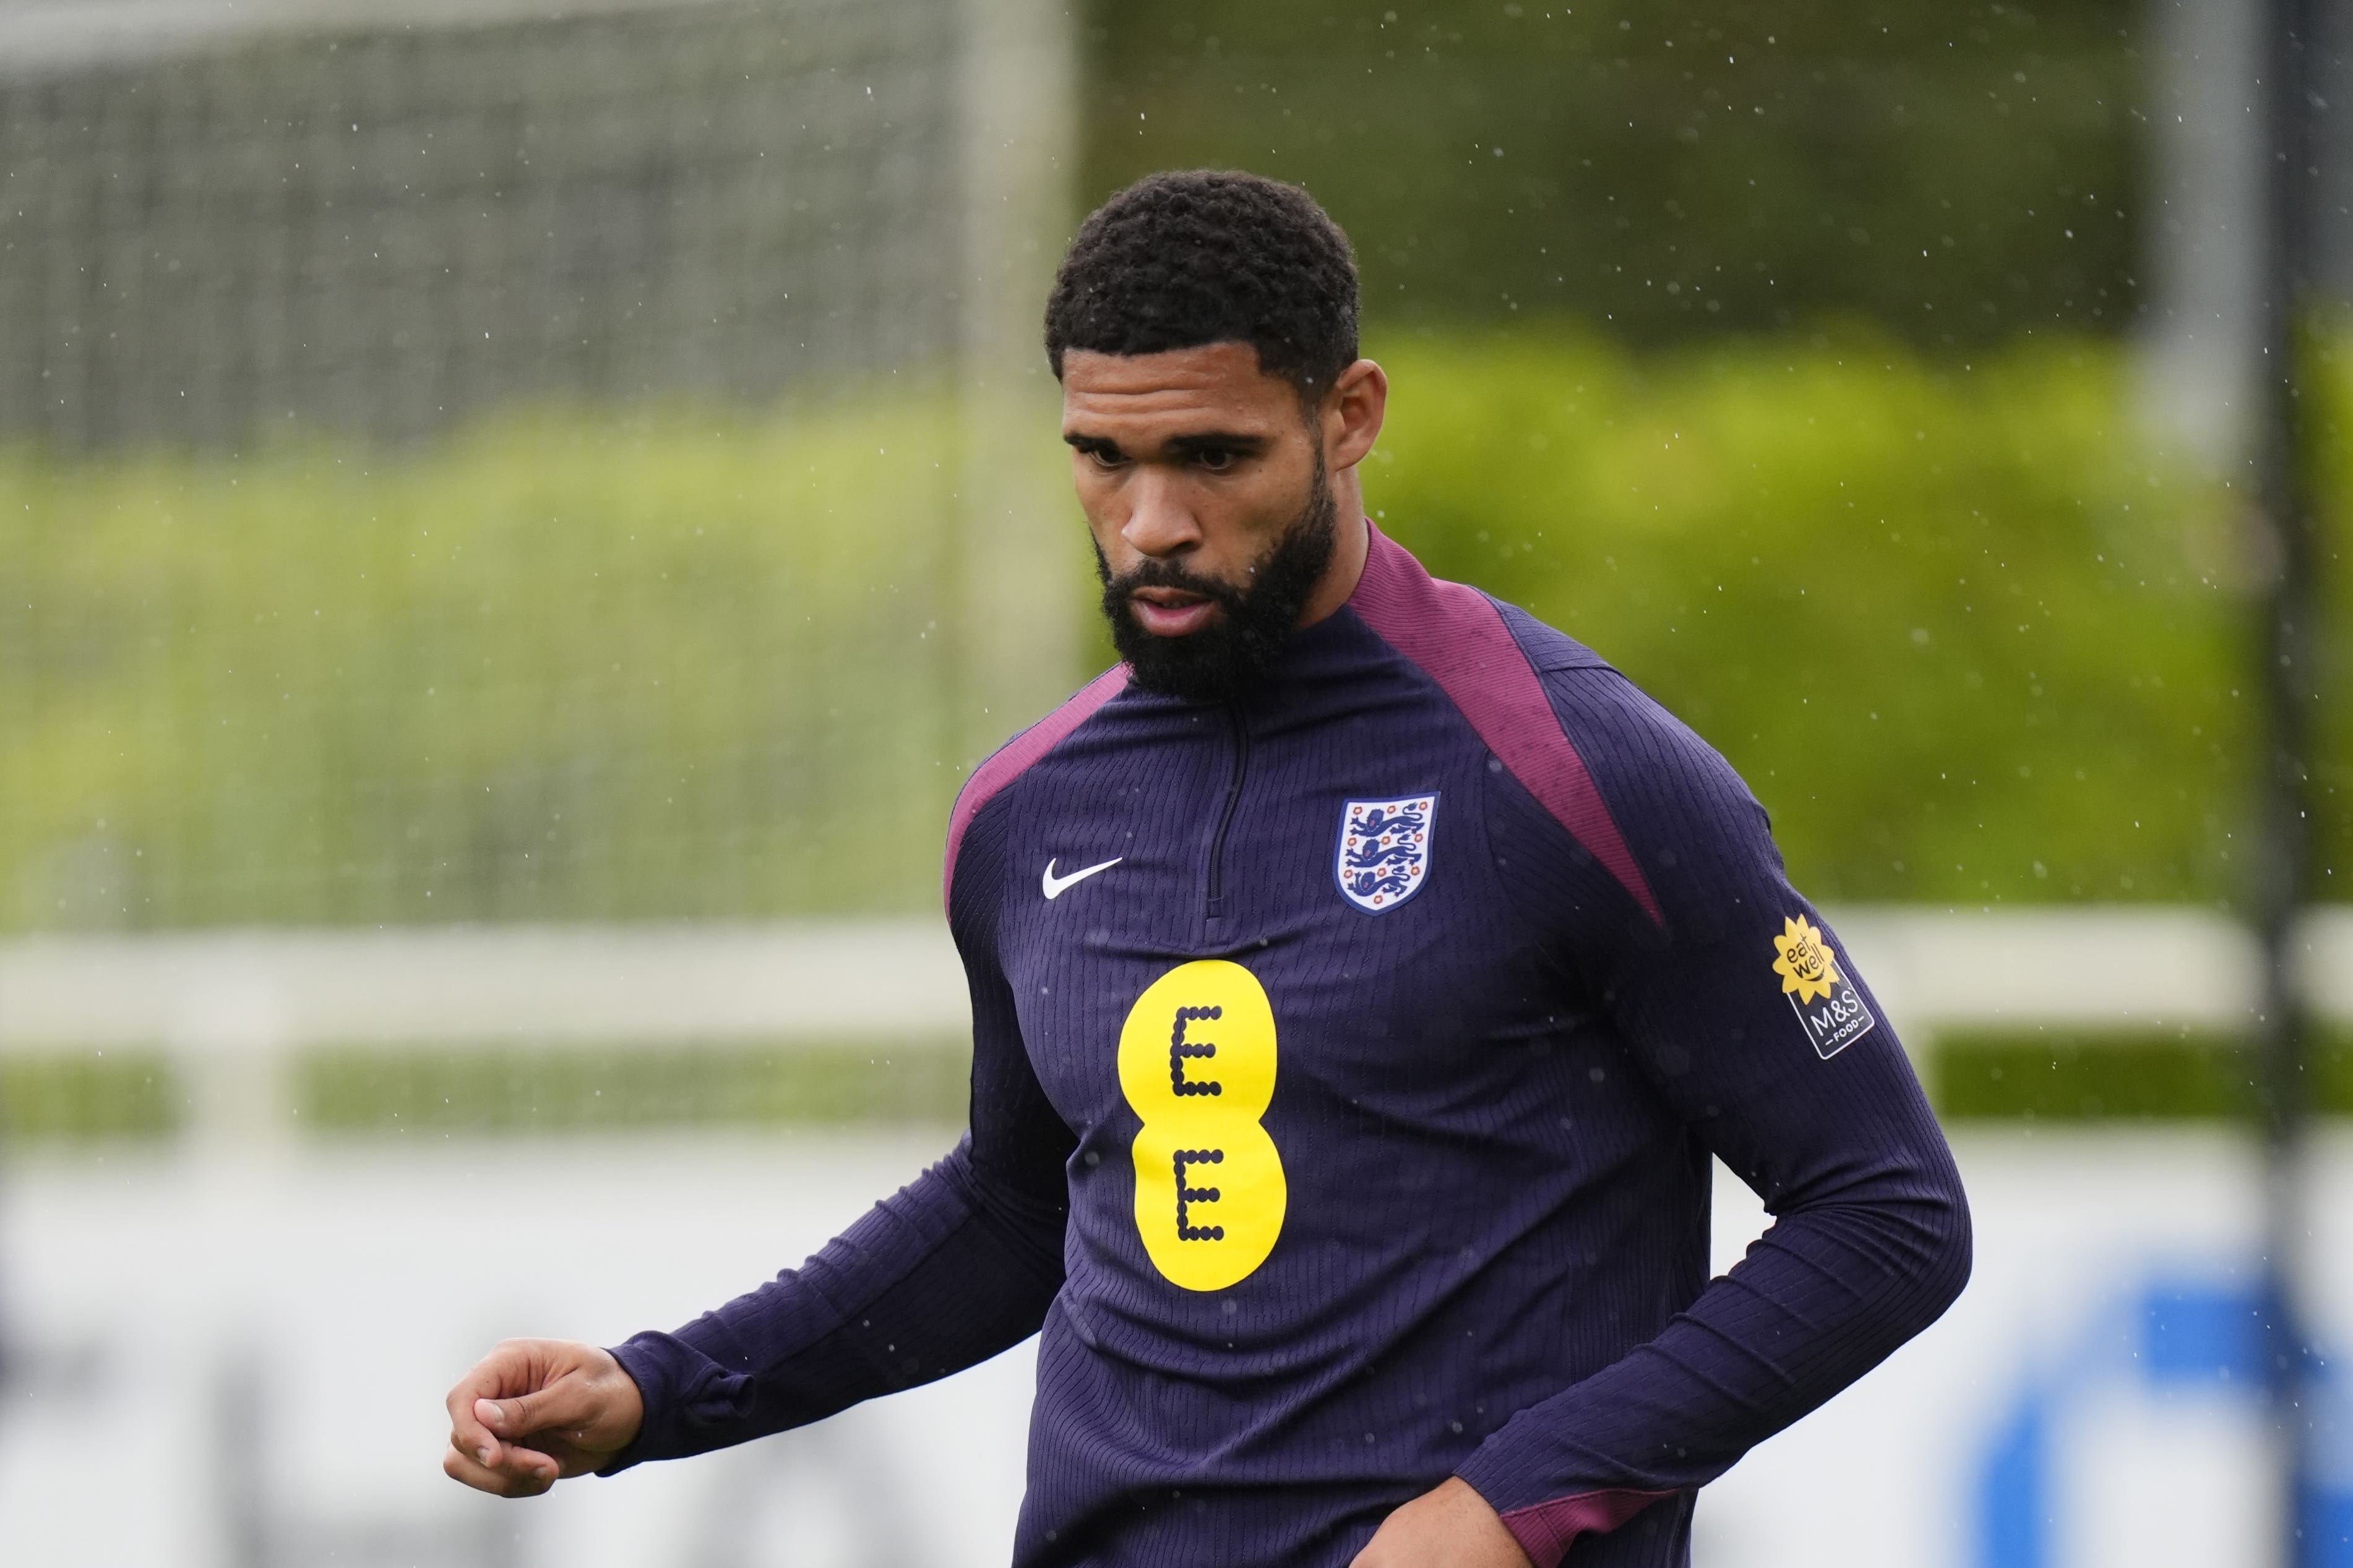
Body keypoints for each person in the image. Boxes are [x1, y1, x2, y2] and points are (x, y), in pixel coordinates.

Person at [442, 170, 1971, 1568]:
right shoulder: (1024, 812)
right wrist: (659, 1387)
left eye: (1214, 457)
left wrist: (1513, 1504)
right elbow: (1015, 1205)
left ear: (1350, 415)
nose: (1151, 524)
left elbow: (1886, 1214)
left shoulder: (1578, 771)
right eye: (1101, 460)